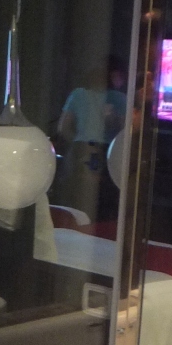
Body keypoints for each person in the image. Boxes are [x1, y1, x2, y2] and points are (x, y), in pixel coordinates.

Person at [57, 56, 128, 222]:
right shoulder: (120, 99)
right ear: (115, 75)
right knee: (104, 204)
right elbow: (124, 131)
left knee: (74, 200)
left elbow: (62, 128)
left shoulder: (77, 94)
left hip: (79, 150)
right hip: (107, 153)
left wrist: (79, 141)